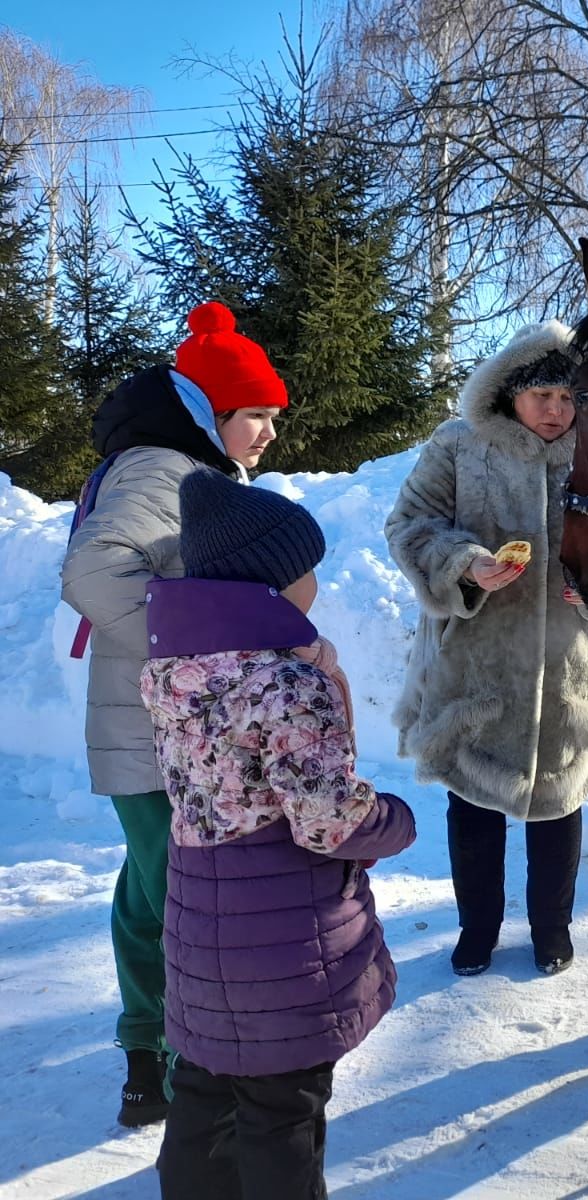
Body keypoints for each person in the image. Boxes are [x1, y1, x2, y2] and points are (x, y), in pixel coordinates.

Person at [141, 470, 415, 1200]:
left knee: (203, 1094)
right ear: (269, 585)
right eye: (306, 569)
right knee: (280, 1113)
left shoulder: (175, 670)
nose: (316, 583)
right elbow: (330, 821)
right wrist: (396, 819)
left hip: (200, 929)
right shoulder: (289, 686)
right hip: (282, 943)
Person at [60, 300, 288, 1126]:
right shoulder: (163, 471)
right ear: (210, 411)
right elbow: (92, 575)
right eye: (256, 415)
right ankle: (181, 1070)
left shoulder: (181, 467)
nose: (269, 432)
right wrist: (197, 650)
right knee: (181, 902)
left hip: (160, 726)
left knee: (151, 893)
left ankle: (149, 1053)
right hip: (157, 727)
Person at [386, 321, 588, 976]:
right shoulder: (460, 447)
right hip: (475, 659)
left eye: (567, 397)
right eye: (541, 395)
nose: (555, 410)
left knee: (560, 800)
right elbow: (409, 524)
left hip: (567, 662)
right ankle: (477, 930)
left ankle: (553, 930)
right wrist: (464, 564)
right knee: (473, 805)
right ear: (510, 393)